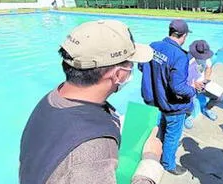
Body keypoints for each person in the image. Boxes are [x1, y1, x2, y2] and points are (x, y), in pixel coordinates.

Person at [19, 19, 162, 184]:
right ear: (118, 74)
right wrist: (150, 162)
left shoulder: (51, 100)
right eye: (130, 64)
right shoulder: (93, 150)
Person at [139, 19, 204, 175]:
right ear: (184, 35)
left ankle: (157, 150)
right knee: (173, 135)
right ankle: (168, 164)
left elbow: (142, 66)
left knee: (161, 127)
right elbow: (179, 88)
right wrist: (194, 90)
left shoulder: (153, 46)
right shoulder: (180, 56)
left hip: (155, 100)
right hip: (172, 105)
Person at [184, 40, 222, 128]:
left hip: (202, 83)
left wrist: (206, 79)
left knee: (220, 97)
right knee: (189, 100)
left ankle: (207, 108)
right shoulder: (186, 60)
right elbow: (181, 79)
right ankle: (189, 115)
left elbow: (209, 68)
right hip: (188, 84)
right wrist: (193, 84)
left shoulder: (206, 57)